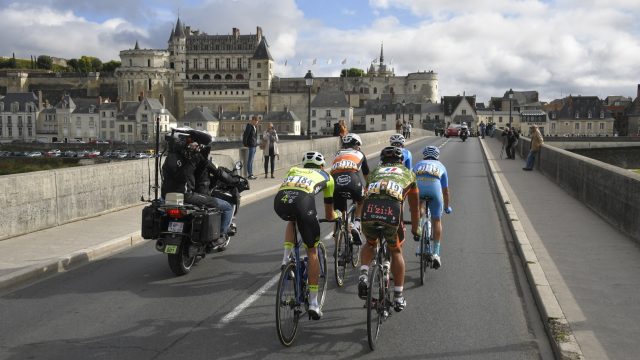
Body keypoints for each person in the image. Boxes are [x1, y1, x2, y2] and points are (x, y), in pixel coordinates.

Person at [274, 151, 339, 320]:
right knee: (312, 251)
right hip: (303, 204)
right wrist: (336, 216)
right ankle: (314, 303)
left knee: (293, 219)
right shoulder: (327, 177)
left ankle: (286, 259)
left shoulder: (293, 170)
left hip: (280, 203)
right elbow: (329, 213)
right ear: (322, 166)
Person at [357, 146, 421, 312]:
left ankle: (364, 274)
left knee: (370, 244)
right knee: (396, 251)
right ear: (401, 161)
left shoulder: (374, 173)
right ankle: (398, 297)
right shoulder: (409, 174)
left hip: (369, 210)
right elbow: (414, 208)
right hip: (391, 211)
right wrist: (416, 229)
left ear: (381, 160)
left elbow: (367, 194)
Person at [161, 129, 236, 250]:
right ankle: (220, 237)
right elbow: (184, 176)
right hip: (186, 195)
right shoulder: (190, 159)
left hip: (166, 196)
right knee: (226, 207)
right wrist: (196, 158)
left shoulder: (170, 158)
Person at [413, 146, 452, 268]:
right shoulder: (441, 166)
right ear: (437, 156)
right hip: (434, 191)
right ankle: (436, 253)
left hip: (419, 190)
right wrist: (446, 207)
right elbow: (446, 191)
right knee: (436, 220)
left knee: (420, 205)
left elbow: (409, 183)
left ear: (424, 155)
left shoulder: (418, 164)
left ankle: (419, 227)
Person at [330, 133, 370, 245]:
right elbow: (367, 175)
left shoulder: (337, 154)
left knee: (339, 214)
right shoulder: (360, 153)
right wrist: (368, 189)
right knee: (362, 200)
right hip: (352, 181)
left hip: (335, 182)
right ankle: (356, 224)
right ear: (356, 145)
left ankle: (337, 246)